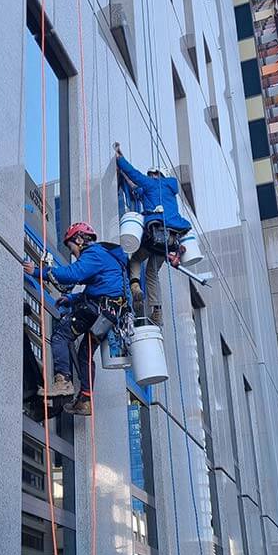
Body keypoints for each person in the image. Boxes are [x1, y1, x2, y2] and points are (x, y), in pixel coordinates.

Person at [23, 222, 129, 417]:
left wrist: (38, 272)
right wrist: (71, 298)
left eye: (72, 248)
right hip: (108, 315)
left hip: (96, 310)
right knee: (85, 354)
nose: (73, 254)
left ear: (79, 239)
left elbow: (73, 274)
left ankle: (62, 381)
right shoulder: (109, 260)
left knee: (61, 336)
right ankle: (85, 400)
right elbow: (100, 289)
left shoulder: (94, 252)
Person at [115, 146, 191, 325]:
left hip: (153, 236)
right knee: (152, 273)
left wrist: (120, 158)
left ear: (156, 175)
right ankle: (156, 309)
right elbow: (135, 189)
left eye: (151, 174)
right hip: (169, 241)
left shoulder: (152, 183)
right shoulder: (169, 193)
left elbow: (135, 176)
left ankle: (134, 286)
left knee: (134, 260)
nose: (149, 177)